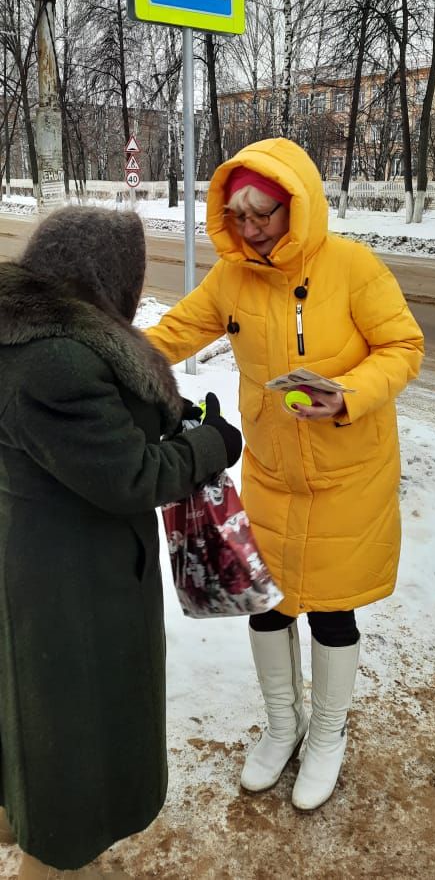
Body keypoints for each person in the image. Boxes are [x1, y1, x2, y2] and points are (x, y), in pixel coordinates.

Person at [145, 138, 424, 811]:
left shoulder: (353, 267)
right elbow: (175, 332)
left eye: (263, 214)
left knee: (331, 609)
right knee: (264, 601)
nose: (251, 229)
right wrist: (101, 357)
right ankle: (283, 725)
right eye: (238, 216)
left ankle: (326, 734)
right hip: (270, 473)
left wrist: (348, 393)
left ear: (295, 205)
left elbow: (403, 347)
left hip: (346, 474)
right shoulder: (232, 277)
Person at [0, 207, 242, 879]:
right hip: (71, 583)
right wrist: (211, 445)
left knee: (36, 716)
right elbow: (130, 476)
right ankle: (53, 855)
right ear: (104, 278)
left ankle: (33, 822)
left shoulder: (32, 334)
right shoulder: (53, 361)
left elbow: (100, 433)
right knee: (68, 733)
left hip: (45, 561)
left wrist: (169, 413)